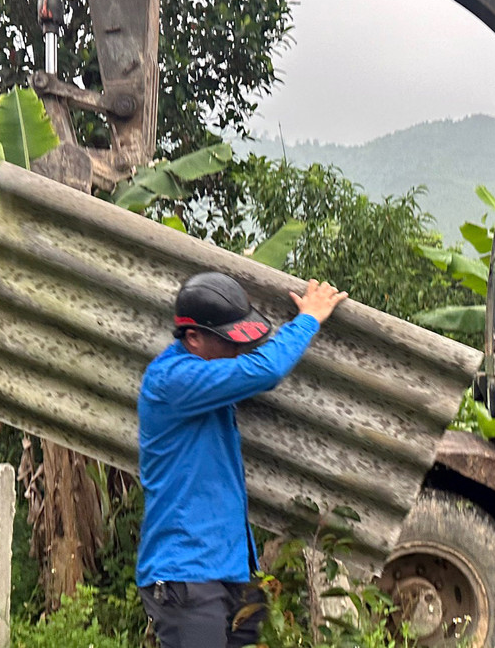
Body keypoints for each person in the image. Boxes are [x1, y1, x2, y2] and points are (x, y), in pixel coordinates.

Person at [136, 271, 349, 648]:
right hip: (186, 575)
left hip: (229, 573)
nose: (238, 351)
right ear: (193, 337)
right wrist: (309, 319)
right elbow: (265, 370)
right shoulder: (172, 381)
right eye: (229, 341)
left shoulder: (202, 382)